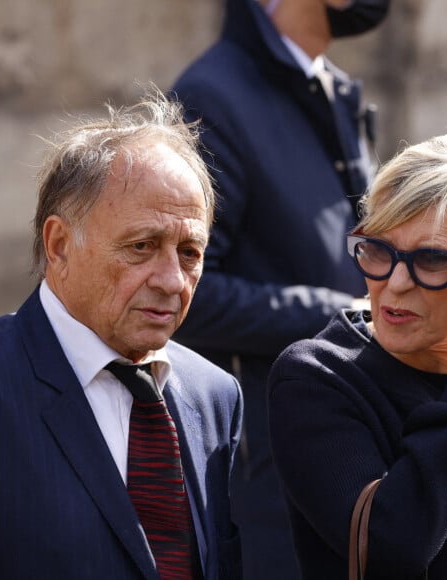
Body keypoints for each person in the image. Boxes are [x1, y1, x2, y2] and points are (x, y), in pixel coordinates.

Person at [0, 87, 243, 579]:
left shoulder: (214, 396)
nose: (173, 279)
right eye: (141, 246)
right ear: (59, 244)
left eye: (189, 253)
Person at [169, 0, 390, 577]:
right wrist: (340, 314)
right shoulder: (210, 98)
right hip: (267, 475)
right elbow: (184, 292)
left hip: (352, 451)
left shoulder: (332, 87)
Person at [268, 131, 447, 579]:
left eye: (430, 260)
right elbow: (391, 548)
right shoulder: (317, 378)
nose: (394, 284)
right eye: (378, 250)